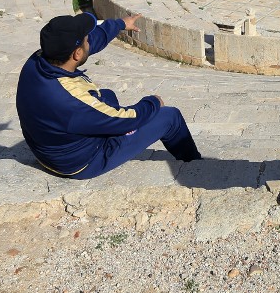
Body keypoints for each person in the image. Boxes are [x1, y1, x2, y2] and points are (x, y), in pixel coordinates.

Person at [16, 12, 201, 179]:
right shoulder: (71, 100)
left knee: (107, 95)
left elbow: (91, 43)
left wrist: (120, 24)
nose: (89, 41)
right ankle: (195, 166)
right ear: (77, 54)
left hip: (48, 146)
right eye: (86, 40)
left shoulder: (37, 61)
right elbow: (125, 118)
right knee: (169, 116)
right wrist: (153, 102)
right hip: (81, 162)